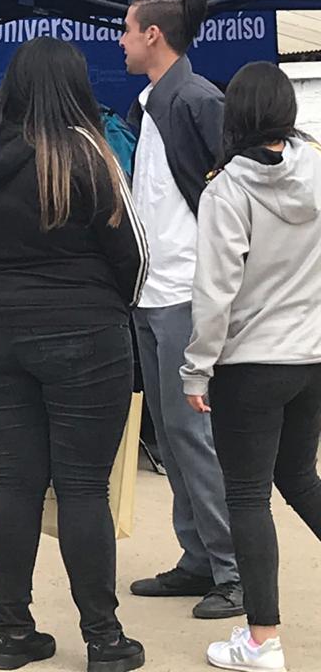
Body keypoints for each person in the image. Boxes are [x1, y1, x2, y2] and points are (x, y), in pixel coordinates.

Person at [0, 37, 149, 672]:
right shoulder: (86, 153)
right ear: (75, 86)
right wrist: (112, 309)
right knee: (84, 486)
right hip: (86, 331)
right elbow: (134, 255)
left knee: (17, 480)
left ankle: (12, 632)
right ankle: (104, 639)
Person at [181, 62, 321, 672]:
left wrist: (195, 369)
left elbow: (215, 292)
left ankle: (262, 640)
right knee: (300, 478)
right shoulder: (318, 168)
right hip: (312, 355)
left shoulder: (227, 189)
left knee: (246, 496)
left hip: (250, 363)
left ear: (233, 114)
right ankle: (260, 638)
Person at [120, 0, 242, 619]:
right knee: (172, 435)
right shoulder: (159, 102)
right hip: (154, 291)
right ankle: (200, 559)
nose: (120, 40)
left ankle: (233, 569)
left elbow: (234, 199)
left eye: (126, 29)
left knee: (194, 435)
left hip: (186, 293)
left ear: (153, 35)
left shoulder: (196, 100)